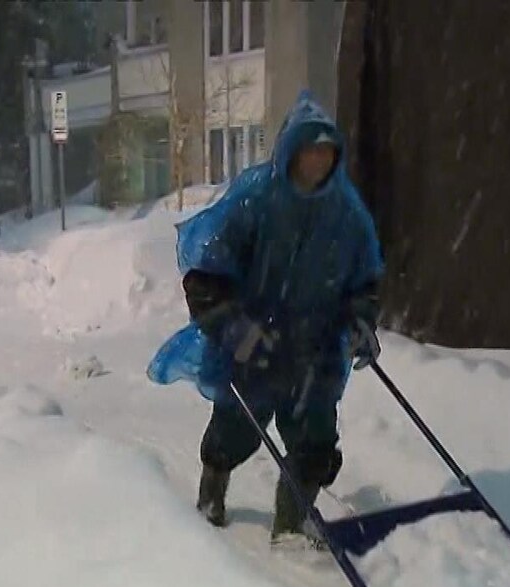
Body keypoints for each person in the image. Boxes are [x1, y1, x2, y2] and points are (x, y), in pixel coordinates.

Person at [152, 89, 383, 547]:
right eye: (308, 151)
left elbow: (365, 279)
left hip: (314, 350)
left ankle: (291, 523)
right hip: (254, 340)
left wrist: (361, 321)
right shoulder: (255, 201)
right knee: (234, 428)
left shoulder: (346, 213)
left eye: (326, 153)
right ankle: (210, 495)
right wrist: (232, 325)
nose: (317, 162)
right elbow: (205, 276)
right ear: (290, 152)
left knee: (314, 441)